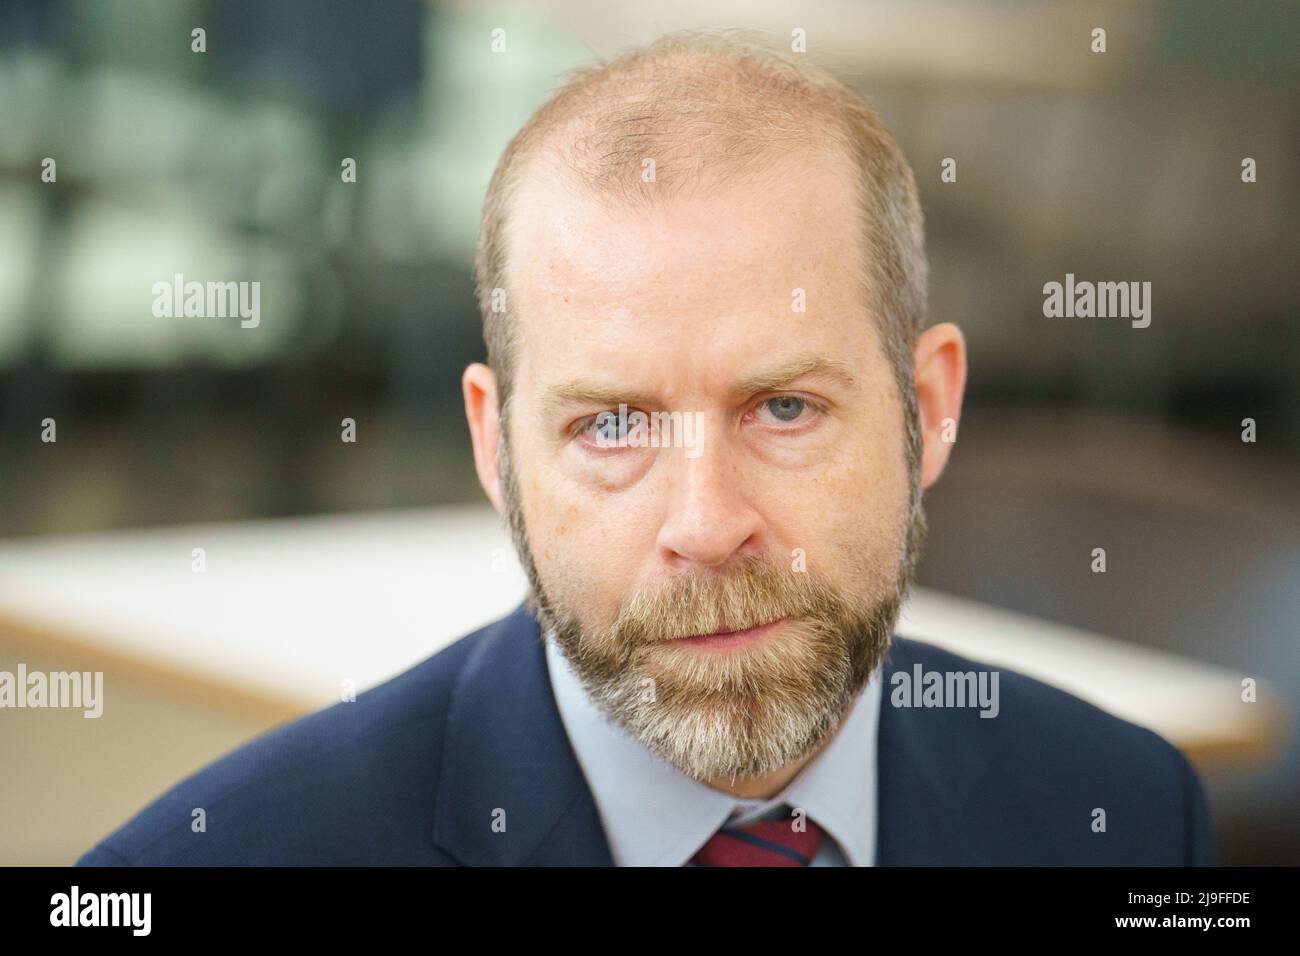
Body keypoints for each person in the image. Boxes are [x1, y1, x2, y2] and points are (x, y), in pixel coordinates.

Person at [78, 30, 1214, 867]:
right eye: (610, 424)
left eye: (782, 408)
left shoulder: (1125, 809)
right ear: (494, 446)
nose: (705, 522)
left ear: (929, 405)